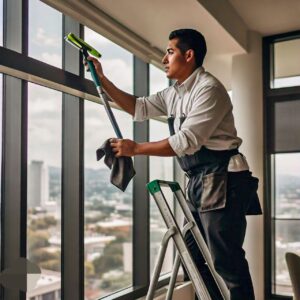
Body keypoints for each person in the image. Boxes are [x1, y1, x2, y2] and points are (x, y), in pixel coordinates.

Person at [85, 28, 262, 300]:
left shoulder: (209, 89)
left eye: (170, 52)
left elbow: (186, 141)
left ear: (188, 55)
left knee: (228, 263)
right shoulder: (175, 93)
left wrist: (136, 148)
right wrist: (102, 78)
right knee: (193, 258)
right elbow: (138, 107)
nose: (164, 59)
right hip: (198, 181)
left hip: (223, 180)